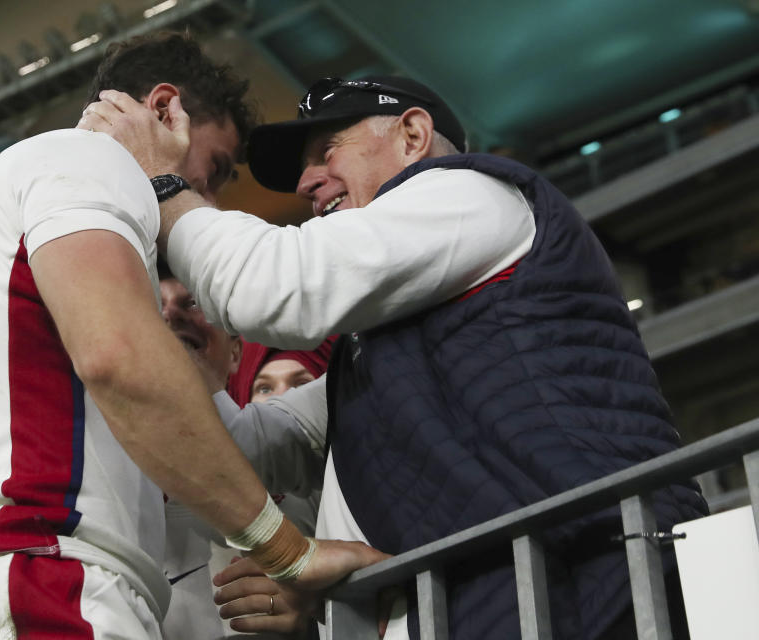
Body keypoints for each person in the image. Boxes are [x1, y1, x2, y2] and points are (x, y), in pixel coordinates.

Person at [80, 74, 709, 639]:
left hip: (577, 582)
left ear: (412, 134)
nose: (305, 183)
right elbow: (249, 445)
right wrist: (128, 315)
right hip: (505, 593)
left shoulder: (473, 192)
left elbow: (275, 286)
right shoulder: (387, 346)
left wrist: (161, 186)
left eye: (326, 152)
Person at [0, 33, 384, 639]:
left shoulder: (15, 212)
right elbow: (118, 359)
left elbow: (203, 424)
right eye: (217, 171)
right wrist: (290, 551)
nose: (207, 198)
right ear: (163, 110)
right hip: (45, 578)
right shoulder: (86, 160)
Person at [160, 267, 332, 639]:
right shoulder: (98, 459)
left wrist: (318, 603)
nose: (169, 315)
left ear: (236, 353)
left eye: (191, 302)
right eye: (152, 307)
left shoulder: (329, 479)